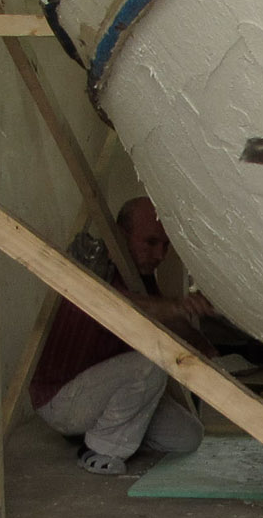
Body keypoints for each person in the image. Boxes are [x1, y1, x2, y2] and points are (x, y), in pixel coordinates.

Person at [30, 196, 212, 476]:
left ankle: (102, 429)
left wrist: (203, 342)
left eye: (165, 246)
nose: (159, 255)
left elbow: (168, 322)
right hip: (62, 400)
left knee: (188, 437)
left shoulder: (140, 278)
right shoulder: (96, 266)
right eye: (150, 243)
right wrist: (177, 306)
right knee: (151, 364)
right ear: (120, 235)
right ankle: (99, 450)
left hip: (103, 393)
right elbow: (119, 306)